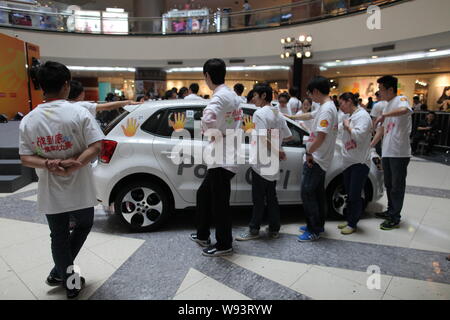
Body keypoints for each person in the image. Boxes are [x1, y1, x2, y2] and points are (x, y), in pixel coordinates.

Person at [18, 61, 104, 299]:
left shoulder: (29, 119)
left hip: (50, 186)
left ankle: (62, 273)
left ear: (42, 87)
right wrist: (76, 162)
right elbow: (96, 146)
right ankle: (69, 279)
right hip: (80, 185)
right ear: (66, 85)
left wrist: (48, 163)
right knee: (84, 224)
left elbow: (25, 158)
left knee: (58, 235)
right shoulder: (79, 112)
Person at [190, 58, 242, 257]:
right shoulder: (233, 96)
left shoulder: (218, 98)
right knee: (204, 195)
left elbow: (208, 119)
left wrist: (207, 131)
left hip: (222, 157)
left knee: (220, 204)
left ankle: (224, 244)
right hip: (226, 153)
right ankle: (203, 233)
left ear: (207, 76)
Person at [235, 83, 292, 241]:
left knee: (259, 198)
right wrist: (278, 146)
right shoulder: (277, 113)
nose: (253, 99)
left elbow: (261, 137)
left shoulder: (260, 113)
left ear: (264, 96)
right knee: (271, 196)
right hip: (272, 163)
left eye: (255, 95)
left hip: (261, 161)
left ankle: (254, 230)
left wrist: (277, 150)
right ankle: (274, 228)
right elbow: (288, 136)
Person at [291, 76, 338, 241]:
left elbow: (321, 137)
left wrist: (310, 152)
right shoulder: (326, 106)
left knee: (307, 193)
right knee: (317, 194)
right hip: (320, 157)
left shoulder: (327, 110)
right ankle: (318, 225)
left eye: (310, 94)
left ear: (316, 91)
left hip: (317, 158)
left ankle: (313, 229)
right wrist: (293, 118)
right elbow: (310, 115)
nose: (310, 98)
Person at [371, 75, 413, 230]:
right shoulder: (386, 105)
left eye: (381, 89)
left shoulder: (401, 99)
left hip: (400, 152)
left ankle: (395, 217)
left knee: (397, 185)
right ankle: (390, 211)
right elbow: (382, 129)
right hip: (388, 151)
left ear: (390, 89)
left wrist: (384, 115)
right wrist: (372, 143)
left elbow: (403, 110)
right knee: (388, 184)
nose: (379, 92)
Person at [337, 92, 373, 234]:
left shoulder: (363, 116)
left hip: (359, 162)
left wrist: (348, 126)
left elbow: (358, 135)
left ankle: (353, 224)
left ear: (349, 101)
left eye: (341, 103)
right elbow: (339, 129)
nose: (340, 107)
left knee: (354, 195)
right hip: (348, 161)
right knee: (349, 194)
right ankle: (349, 220)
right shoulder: (349, 116)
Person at [68, 80, 139, 117]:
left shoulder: (59, 106)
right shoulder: (82, 105)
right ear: (81, 93)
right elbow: (108, 106)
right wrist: (128, 102)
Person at [370, 91, 388, 156]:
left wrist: (372, 129)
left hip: (378, 128)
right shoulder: (389, 103)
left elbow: (374, 119)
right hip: (388, 128)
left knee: (378, 147)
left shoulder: (377, 105)